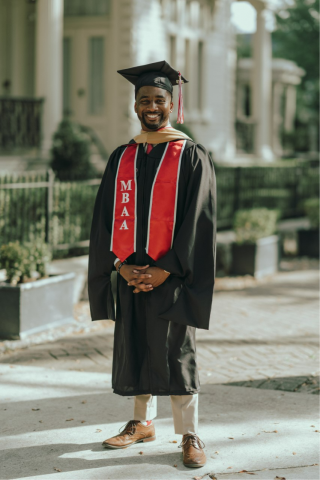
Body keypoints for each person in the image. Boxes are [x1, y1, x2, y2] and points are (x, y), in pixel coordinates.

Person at [88, 60, 217, 469]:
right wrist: (120, 266)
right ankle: (140, 422)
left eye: (158, 99)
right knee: (136, 345)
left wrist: (166, 268)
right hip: (131, 272)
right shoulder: (122, 157)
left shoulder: (190, 155)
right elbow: (105, 218)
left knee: (176, 351)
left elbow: (198, 219)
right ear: (135, 103)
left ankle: (190, 432)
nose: (151, 107)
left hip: (171, 272)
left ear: (171, 102)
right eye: (144, 99)